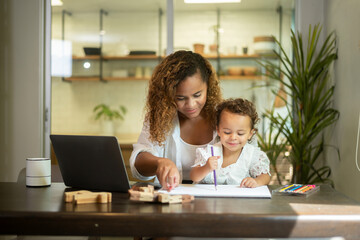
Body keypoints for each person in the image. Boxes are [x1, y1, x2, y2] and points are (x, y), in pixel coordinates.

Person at [129, 50, 222, 190]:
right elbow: (139, 163)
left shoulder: (224, 117)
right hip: (172, 200)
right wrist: (159, 162)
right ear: (168, 95)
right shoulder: (160, 117)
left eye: (197, 95)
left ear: (208, 87)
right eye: (180, 98)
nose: (191, 104)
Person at [190, 98, 270, 188]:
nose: (233, 138)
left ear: (250, 134)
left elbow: (265, 176)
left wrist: (256, 181)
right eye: (227, 132)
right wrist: (206, 167)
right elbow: (194, 177)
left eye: (240, 133)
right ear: (218, 131)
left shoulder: (252, 155)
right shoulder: (209, 152)